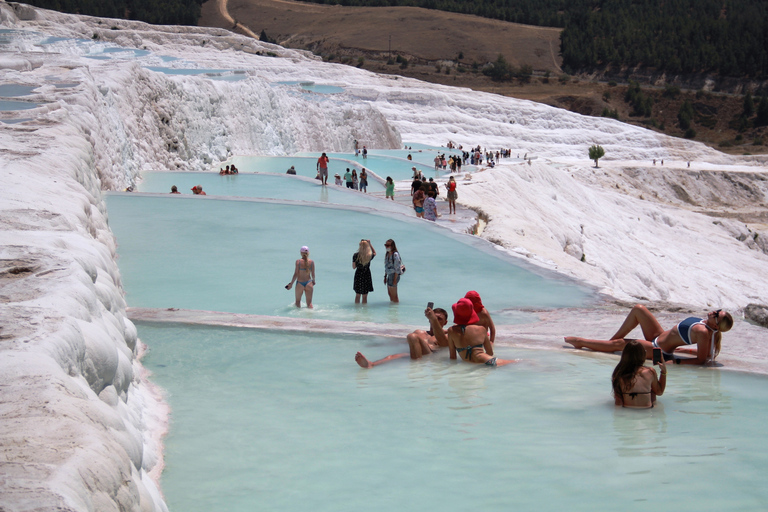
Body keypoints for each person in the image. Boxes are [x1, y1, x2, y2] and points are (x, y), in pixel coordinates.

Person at [564, 305, 733, 365]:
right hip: (658, 336)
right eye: (718, 310)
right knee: (639, 309)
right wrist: (685, 350)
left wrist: (675, 361)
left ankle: (581, 342)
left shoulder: (704, 333)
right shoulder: (705, 324)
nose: (715, 311)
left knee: (622, 346)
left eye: (717, 314)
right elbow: (705, 354)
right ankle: (609, 342)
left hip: (658, 349)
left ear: (716, 324)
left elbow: (703, 360)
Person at [431, 298, 517, 367]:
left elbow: (453, 357)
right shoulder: (481, 329)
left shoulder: (451, 331)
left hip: (477, 364)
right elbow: (490, 353)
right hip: (490, 361)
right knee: (519, 363)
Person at [355, 307, 449, 368]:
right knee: (393, 356)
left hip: (431, 356)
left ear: (445, 323)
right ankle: (371, 364)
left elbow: (443, 341)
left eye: (439, 319)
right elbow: (405, 342)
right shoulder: (419, 333)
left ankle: (416, 369)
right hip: (415, 354)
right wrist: (380, 344)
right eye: (434, 318)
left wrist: (433, 319)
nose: (436, 320)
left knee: (412, 336)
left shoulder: (447, 335)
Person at [612, 340, 666, 408]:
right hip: (647, 411)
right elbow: (659, 392)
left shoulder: (619, 373)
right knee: (652, 392)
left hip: (627, 410)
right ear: (644, 354)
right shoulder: (650, 371)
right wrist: (663, 372)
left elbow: (618, 401)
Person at [353, 239, 376, 304]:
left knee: (357, 295)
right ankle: (364, 312)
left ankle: (357, 311)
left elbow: (354, 267)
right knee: (365, 296)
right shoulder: (369, 255)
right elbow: (374, 253)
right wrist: (370, 244)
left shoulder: (355, 255)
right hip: (366, 275)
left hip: (358, 275)